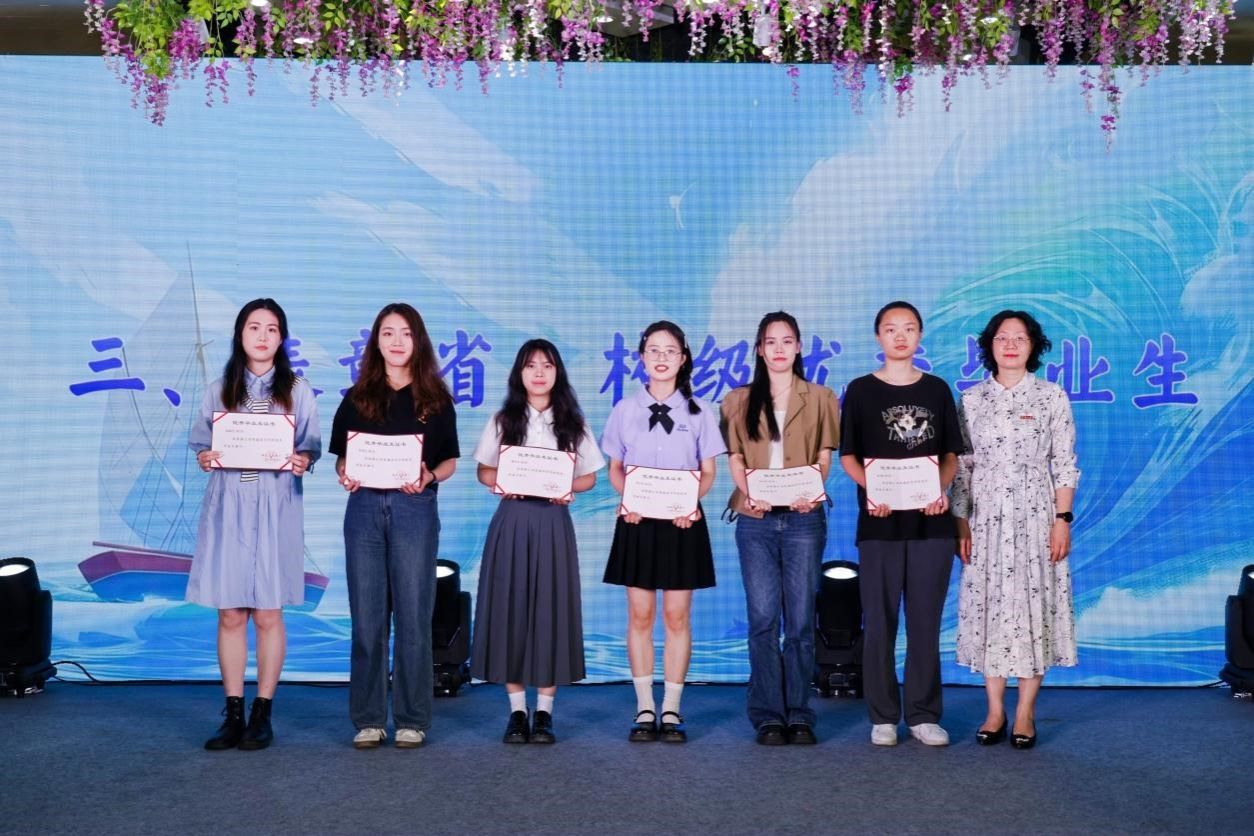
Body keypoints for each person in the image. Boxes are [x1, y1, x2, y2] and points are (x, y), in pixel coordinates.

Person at [189, 298, 321, 751]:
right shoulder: (218, 389)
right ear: (240, 334)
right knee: (230, 612)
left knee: (268, 612)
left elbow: (309, 446)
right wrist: (206, 456)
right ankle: (232, 713)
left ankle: (263, 712)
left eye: (272, 329)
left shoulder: (298, 390)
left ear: (282, 338)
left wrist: (303, 459)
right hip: (229, 505)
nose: (262, 336)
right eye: (253, 327)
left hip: (276, 505)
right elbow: (202, 443)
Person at [330, 303, 459, 750]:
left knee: (413, 617)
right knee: (367, 620)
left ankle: (412, 718)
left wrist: (429, 476)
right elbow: (342, 458)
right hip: (364, 508)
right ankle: (368, 718)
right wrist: (346, 472)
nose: (397, 341)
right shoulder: (357, 396)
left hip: (413, 508)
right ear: (377, 342)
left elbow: (449, 462)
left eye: (405, 333)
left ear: (418, 340)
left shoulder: (435, 400)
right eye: (388, 333)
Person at [951, 310, 1079, 750]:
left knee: (1032, 605)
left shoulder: (1051, 396)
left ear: (1033, 346)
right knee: (988, 605)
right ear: (989, 346)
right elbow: (962, 468)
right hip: (985, 518)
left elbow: (1064, 463)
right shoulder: (971, 400)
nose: (1010, 345)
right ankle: (994, 710)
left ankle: (1025, 711)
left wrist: (1062, 520)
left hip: (1036, 515)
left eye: (1019, 338)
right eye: (1001, 337)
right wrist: (960, 522)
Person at [839, 301, 964, 747]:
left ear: (919, 336)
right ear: (878, 337)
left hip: (931, 524)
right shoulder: (860, 391)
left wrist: (939, 490)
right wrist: (873, 490)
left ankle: (924, 714)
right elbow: (848, 456)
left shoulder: (936, 389)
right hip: (880, 524)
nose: (900, 336)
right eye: (891, 329)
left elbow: (951, 455)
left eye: (909, 328)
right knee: (880, 622)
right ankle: (884, 716)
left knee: (925, 623)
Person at [472, 339, 605, 744]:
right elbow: (483, 471)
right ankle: (517, 712)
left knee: (551, 610)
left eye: (547, 365)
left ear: (557, 372)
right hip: (512, 519)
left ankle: (544, 712)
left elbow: (589, 477)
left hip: (552, 521)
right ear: (519, 373)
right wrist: (504, 480)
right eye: (531, 365)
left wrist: (563, 484)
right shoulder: (503, 420)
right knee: (509, 608)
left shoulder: (573, 423)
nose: (539, 373)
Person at [601, 320, 725, 743]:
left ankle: (671, 708)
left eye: (670, 351)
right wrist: (628, 498)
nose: (661, 358)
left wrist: (690, 503)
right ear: (641, 357)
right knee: (640, 615)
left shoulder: (700, 411)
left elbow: (709, 471)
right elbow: (615, 468)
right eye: (653, 350)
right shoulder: (624, 410)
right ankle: (644, 706)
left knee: (676, 615)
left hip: (682, 522)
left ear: (683, 359)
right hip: (636, 521)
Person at [721, 312, 840, 745]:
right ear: (759, 349)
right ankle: (769, 713)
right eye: (770, 342)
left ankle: (800, 712)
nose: (778, 349)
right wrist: (747, 491)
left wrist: (813, 490)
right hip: (755, 519)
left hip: (804, 518)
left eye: (787, 341)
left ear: (799, 347)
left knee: (802, 621)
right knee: (763, 618)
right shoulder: (737, 400)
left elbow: (824, 456)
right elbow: (735, 457)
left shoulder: (821, 397)